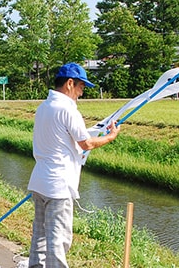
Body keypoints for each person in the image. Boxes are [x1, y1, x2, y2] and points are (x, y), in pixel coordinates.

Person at [27, 62, 121, 268]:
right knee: (58, 239)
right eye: (81, 87)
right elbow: (85, 143)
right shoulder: (68, 109)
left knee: (40, 236)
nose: (81, 93)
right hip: (58, 185)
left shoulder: (44, 107)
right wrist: (110, 137)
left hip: (40, 181)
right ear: (70, 83)